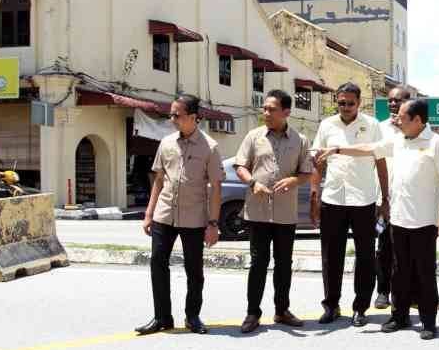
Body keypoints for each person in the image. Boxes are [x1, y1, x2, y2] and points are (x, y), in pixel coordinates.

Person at [315, 99, 439, 339]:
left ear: (418, 120)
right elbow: (369, 148)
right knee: (398, 271)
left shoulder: (435, 142)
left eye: (402, 117)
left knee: (424, 272)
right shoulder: (398, 140)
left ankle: (429, 322)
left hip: (424, 221)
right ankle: (399, 317)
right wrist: (337, 149)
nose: (396, 120)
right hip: (398, 219)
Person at [135, 94, 223, 336]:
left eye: (177, 115)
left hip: (194, 217)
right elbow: (159, 180)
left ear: (193, 117)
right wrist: (149, 213)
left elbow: (216, 187)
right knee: (157, 263)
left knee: (194, 270)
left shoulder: (210, 147)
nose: (172, 119)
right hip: (164, 214)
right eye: (171, 114)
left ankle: (192, 316)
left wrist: (213, 223)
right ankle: (162, 317)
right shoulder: (166, 143)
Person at [234, 89, 314, 334]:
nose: (265, 113)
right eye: (265, 108)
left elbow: (306, 172)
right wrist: (252, 183)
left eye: (271, 109)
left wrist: (293, 181)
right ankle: (252, 313)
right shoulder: (254, 136)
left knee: (283, 264)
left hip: (285, 214)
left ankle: (282, 310)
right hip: (257, 212)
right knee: (258, 263)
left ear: (286, 112)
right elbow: (240, 166)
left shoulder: (300, 140)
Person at [310, 82, 389, 327]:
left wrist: (384, 198)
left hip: (363, 199)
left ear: (359, 102)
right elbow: (318, 162)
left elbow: (381, 162)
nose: (345, 107)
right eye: (341, 102)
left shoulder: (372, 125)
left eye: (350, 103)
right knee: (331, 256)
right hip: (332, 198)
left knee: (365, 256)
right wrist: (314, 195)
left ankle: (361, 307)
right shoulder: (326, 125)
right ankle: (331, 305)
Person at [374, 85, 412, 309]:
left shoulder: (417, 129)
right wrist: (380, 199)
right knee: (384, 247)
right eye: (389, 101)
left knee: (408, 249)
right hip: (385, 198)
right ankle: (382, 291)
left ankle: (409, 293)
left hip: (410, 199)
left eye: (397, 100)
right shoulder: (379, 129)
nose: (392, 104)